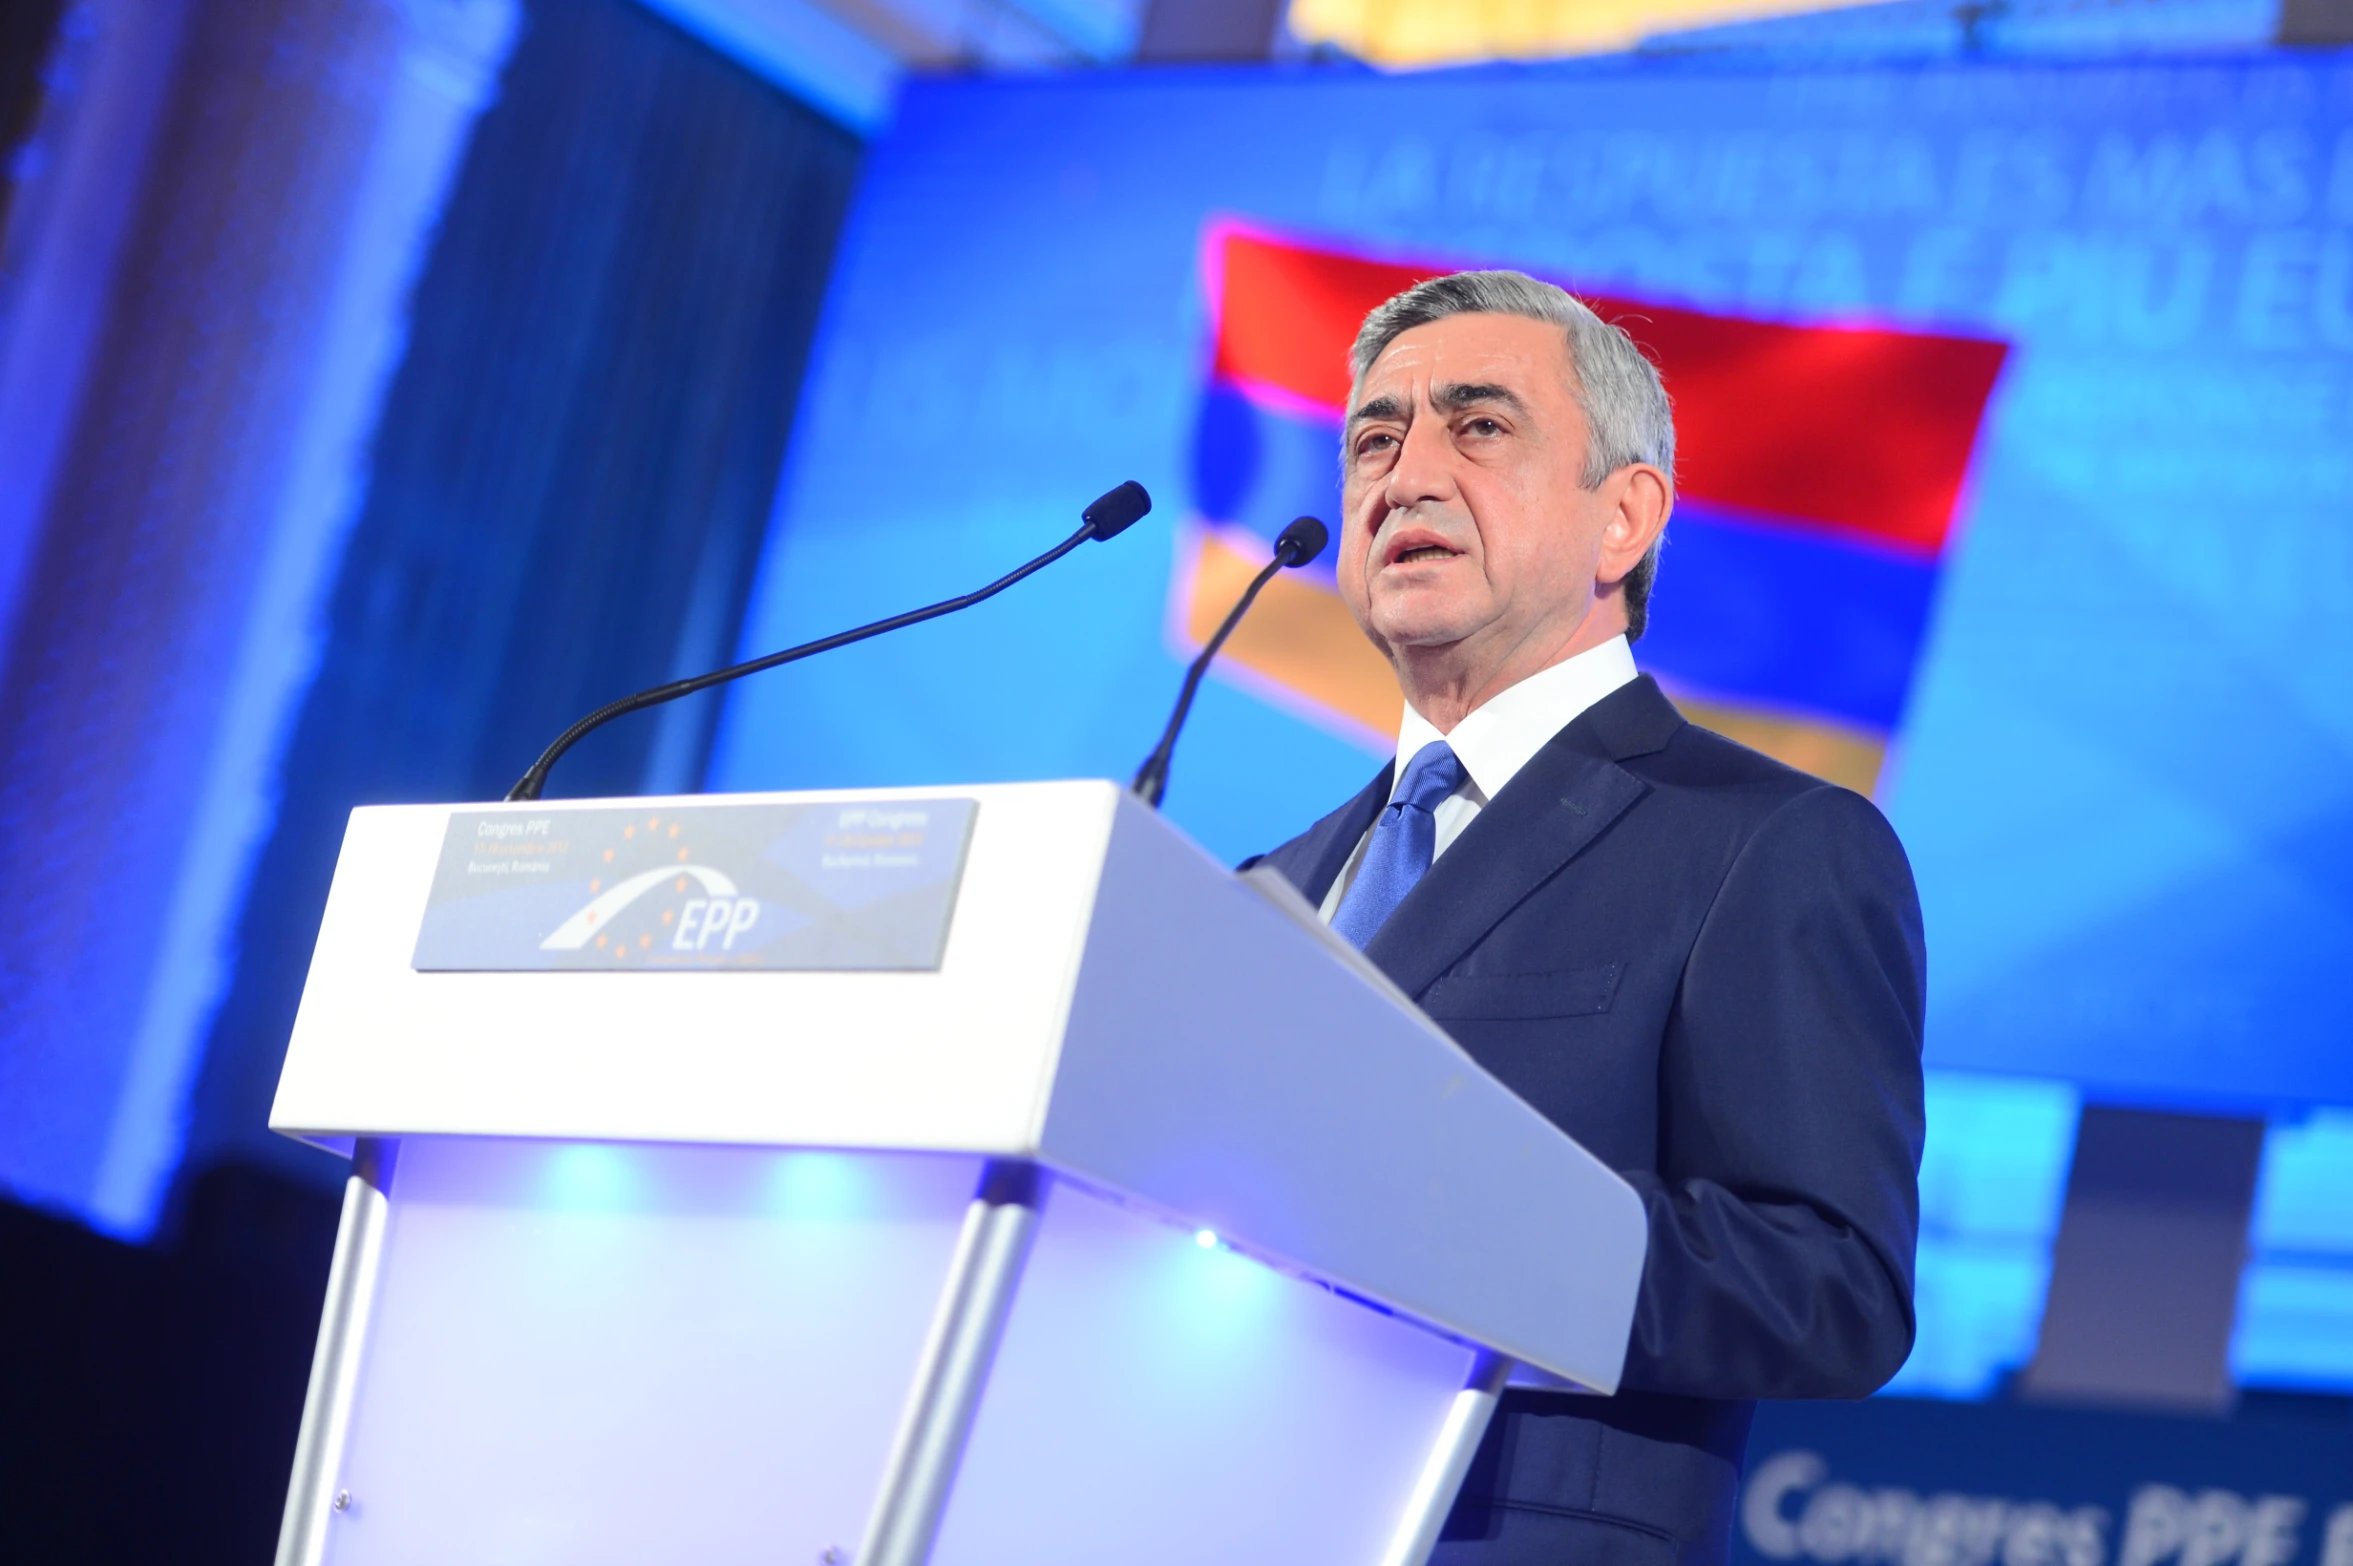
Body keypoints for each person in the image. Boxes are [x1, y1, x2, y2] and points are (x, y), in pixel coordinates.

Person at [1243, 272, 1926, 1566]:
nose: (1406, 473)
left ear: (1625, 516)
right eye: (1373, 439)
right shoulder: (1266, 889)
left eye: (1479, 426)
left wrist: (1471, 1207)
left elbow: (1832, 1282)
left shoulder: (1766, 842)